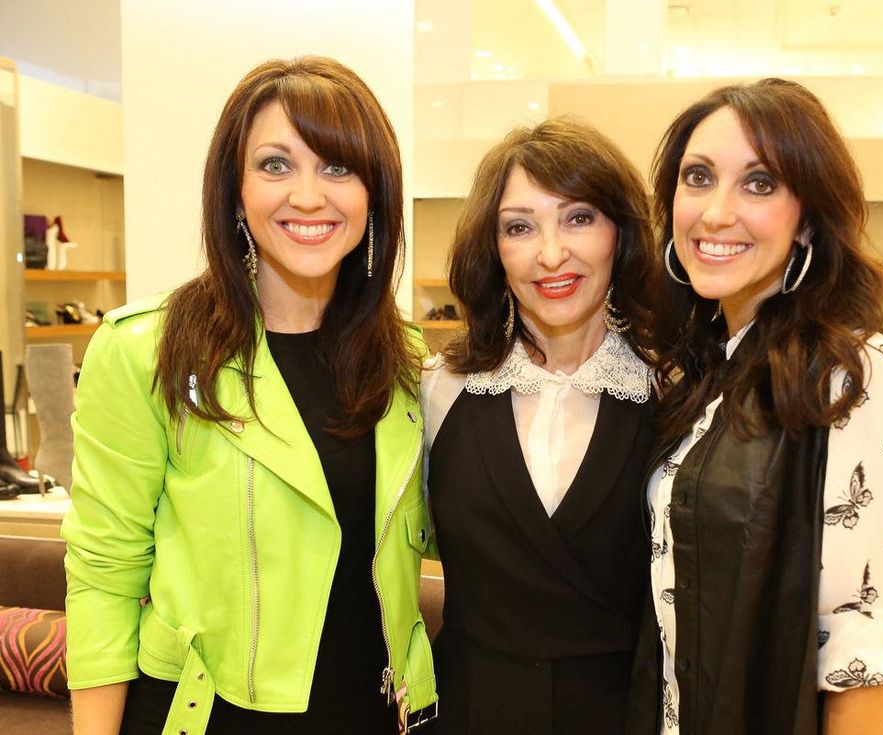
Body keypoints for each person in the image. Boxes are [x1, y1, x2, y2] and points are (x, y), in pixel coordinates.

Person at [61, 57, 437, 735]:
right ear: (234, 192)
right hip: (208, 716)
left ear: (374, 196)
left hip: (378, 714)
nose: (308, 195)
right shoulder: (148, 351)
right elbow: (103, 574)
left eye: (337, 167)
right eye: (274, 165)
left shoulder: (405, 360)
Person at [626, 78, 883, 735]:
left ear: (809, 216)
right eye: (698, 177)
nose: (715, 212)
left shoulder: (853, 373)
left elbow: (857, 659)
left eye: (759, 183)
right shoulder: (702, 370)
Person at [420, 118, 660, 734]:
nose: (551, 254)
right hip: (468, 711)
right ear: (494, 250)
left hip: (623, 714)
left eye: (579, 217)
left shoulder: (678, 396)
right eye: (520, 227)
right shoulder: (437, 390)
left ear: (620, 234)